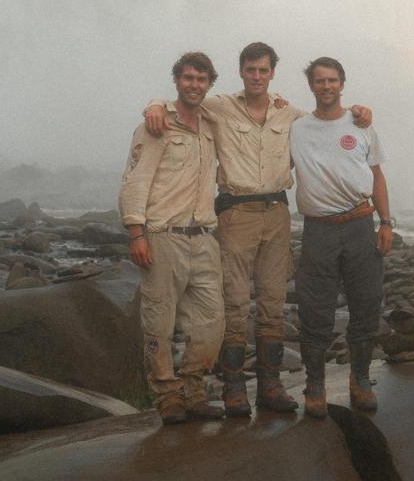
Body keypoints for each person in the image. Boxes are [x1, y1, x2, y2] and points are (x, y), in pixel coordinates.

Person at [144, 43, 371, 417]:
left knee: (272, 303)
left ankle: (271, 386)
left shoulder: (289, 114)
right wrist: (154, 104)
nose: (256, 76)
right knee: (234, 303)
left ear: (272, 73)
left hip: (277, 213)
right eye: (250, 70)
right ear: (241, 71)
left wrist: (359, 112)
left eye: (263, 70)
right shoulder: (219, 108)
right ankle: (234, 389)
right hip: (236, 213)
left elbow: (327, 118)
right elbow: (184, 100)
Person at [119, 51, 225, 425]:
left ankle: (194, 391)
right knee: (159, 321)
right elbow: (134, 180)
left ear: (210, 83)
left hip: (204, 237)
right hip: (164, 236)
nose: (194, 85)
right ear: (177, 81)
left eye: (201, 79)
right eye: (187, 78)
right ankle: (167, 396)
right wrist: (136, 233)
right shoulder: (156, 124)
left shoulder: (212, 124)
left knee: (213, 321)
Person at [290, 56, 393, 417]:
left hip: (360, 224)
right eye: (320, 81)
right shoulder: (297, 128)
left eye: (333, 80)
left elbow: (377, 176)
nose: (327, 86)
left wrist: (387, 223)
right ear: (311, 86)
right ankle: (315, 386)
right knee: (314, 307)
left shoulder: (361, 124)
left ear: (342, 84)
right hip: (318, 230)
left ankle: (360, 379)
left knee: (366, 302)